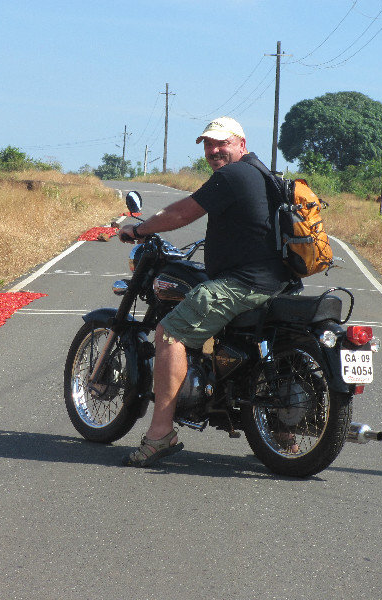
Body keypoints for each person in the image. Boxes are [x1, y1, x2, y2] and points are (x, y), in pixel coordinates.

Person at [117, 116, 291, 467]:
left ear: (240, 143)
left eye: (221, 143)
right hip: (276, 282)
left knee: (171, 332)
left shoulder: (233, 175)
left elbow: (183, 212)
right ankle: (279, 428)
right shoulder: (263, 174)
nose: (213, 151)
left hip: (244, 283)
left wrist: (140, 230)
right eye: (208, 145)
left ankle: (160, 432)